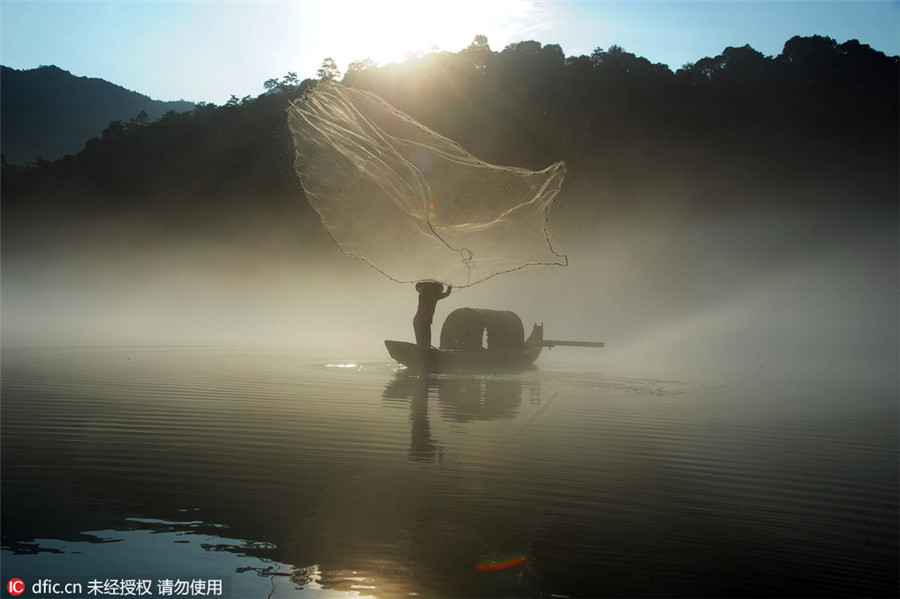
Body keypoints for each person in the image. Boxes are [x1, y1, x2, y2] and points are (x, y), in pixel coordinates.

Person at [413, 281, 451, 348]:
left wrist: (449, 289)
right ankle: (424, 351)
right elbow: (446, 294)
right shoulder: (427, 294)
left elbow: (446, 294)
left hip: (423, 321)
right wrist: (449, 289)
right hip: (420, 321)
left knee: (424, 341)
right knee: (424, 341)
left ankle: (425, 351)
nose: (441, 291)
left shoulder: (433, 295)